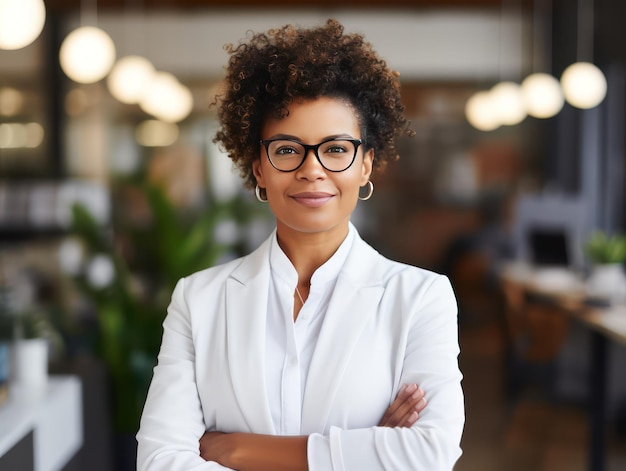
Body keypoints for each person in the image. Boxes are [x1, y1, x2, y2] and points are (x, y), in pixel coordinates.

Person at [136, 19, 464, 470]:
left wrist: (238, 450)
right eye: (288, 149)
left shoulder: (421, 299)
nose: (312, 170)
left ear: (366, 165)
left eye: (335, 149)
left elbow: (429, 455)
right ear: (259, 168)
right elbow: (160, 461)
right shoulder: (199, 300)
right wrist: (361, 452)